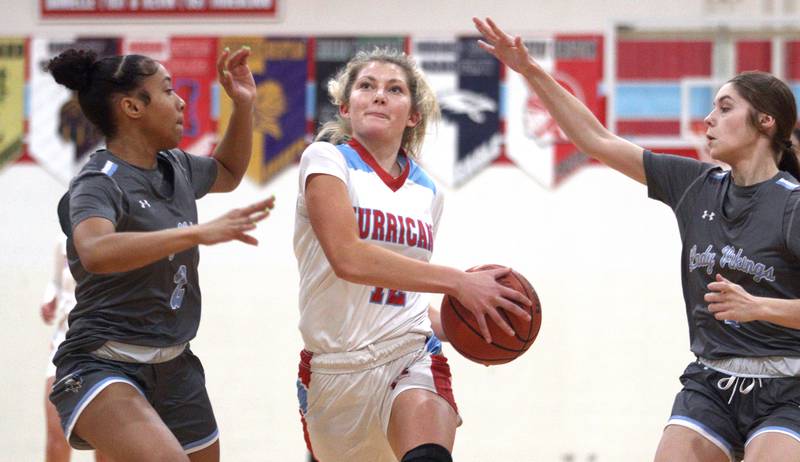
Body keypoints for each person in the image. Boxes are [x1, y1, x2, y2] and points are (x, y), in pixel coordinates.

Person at [473, 16, 800, 462]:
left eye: (725, 108)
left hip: (789, 386)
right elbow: (595, 139)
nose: (708, 118)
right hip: (711, 381)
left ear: (765, 121)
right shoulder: (694, 184)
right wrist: (530, 70)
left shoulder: (792, 206)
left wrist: (759, 307)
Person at [293, 48, 532, 462]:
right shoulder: (327, 160)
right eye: (366, 86)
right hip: (334, 369)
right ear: (347, 107)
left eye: (394, 89)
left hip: (409, 353)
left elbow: (404, 294)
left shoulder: (428, 192)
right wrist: (459, 282)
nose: (379, 95)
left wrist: (469, 324)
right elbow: (347, 258)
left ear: (413, 115)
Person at [46, 46, 274, 462]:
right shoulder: (98, 182)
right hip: (103, 361)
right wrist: (197, 234)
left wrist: (243, 105)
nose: (181, 100)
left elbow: (227, 171)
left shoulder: (176, 166)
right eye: (168, 90)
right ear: (133, 106)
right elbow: (96, 250)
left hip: (175, 364)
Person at [40, 237, 111, 462]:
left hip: (106, 348)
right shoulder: (62, 239)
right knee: (56, 437)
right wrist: (50, 301)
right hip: (64, 346)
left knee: (107, 444)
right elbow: (57, 285)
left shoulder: (119, 233)